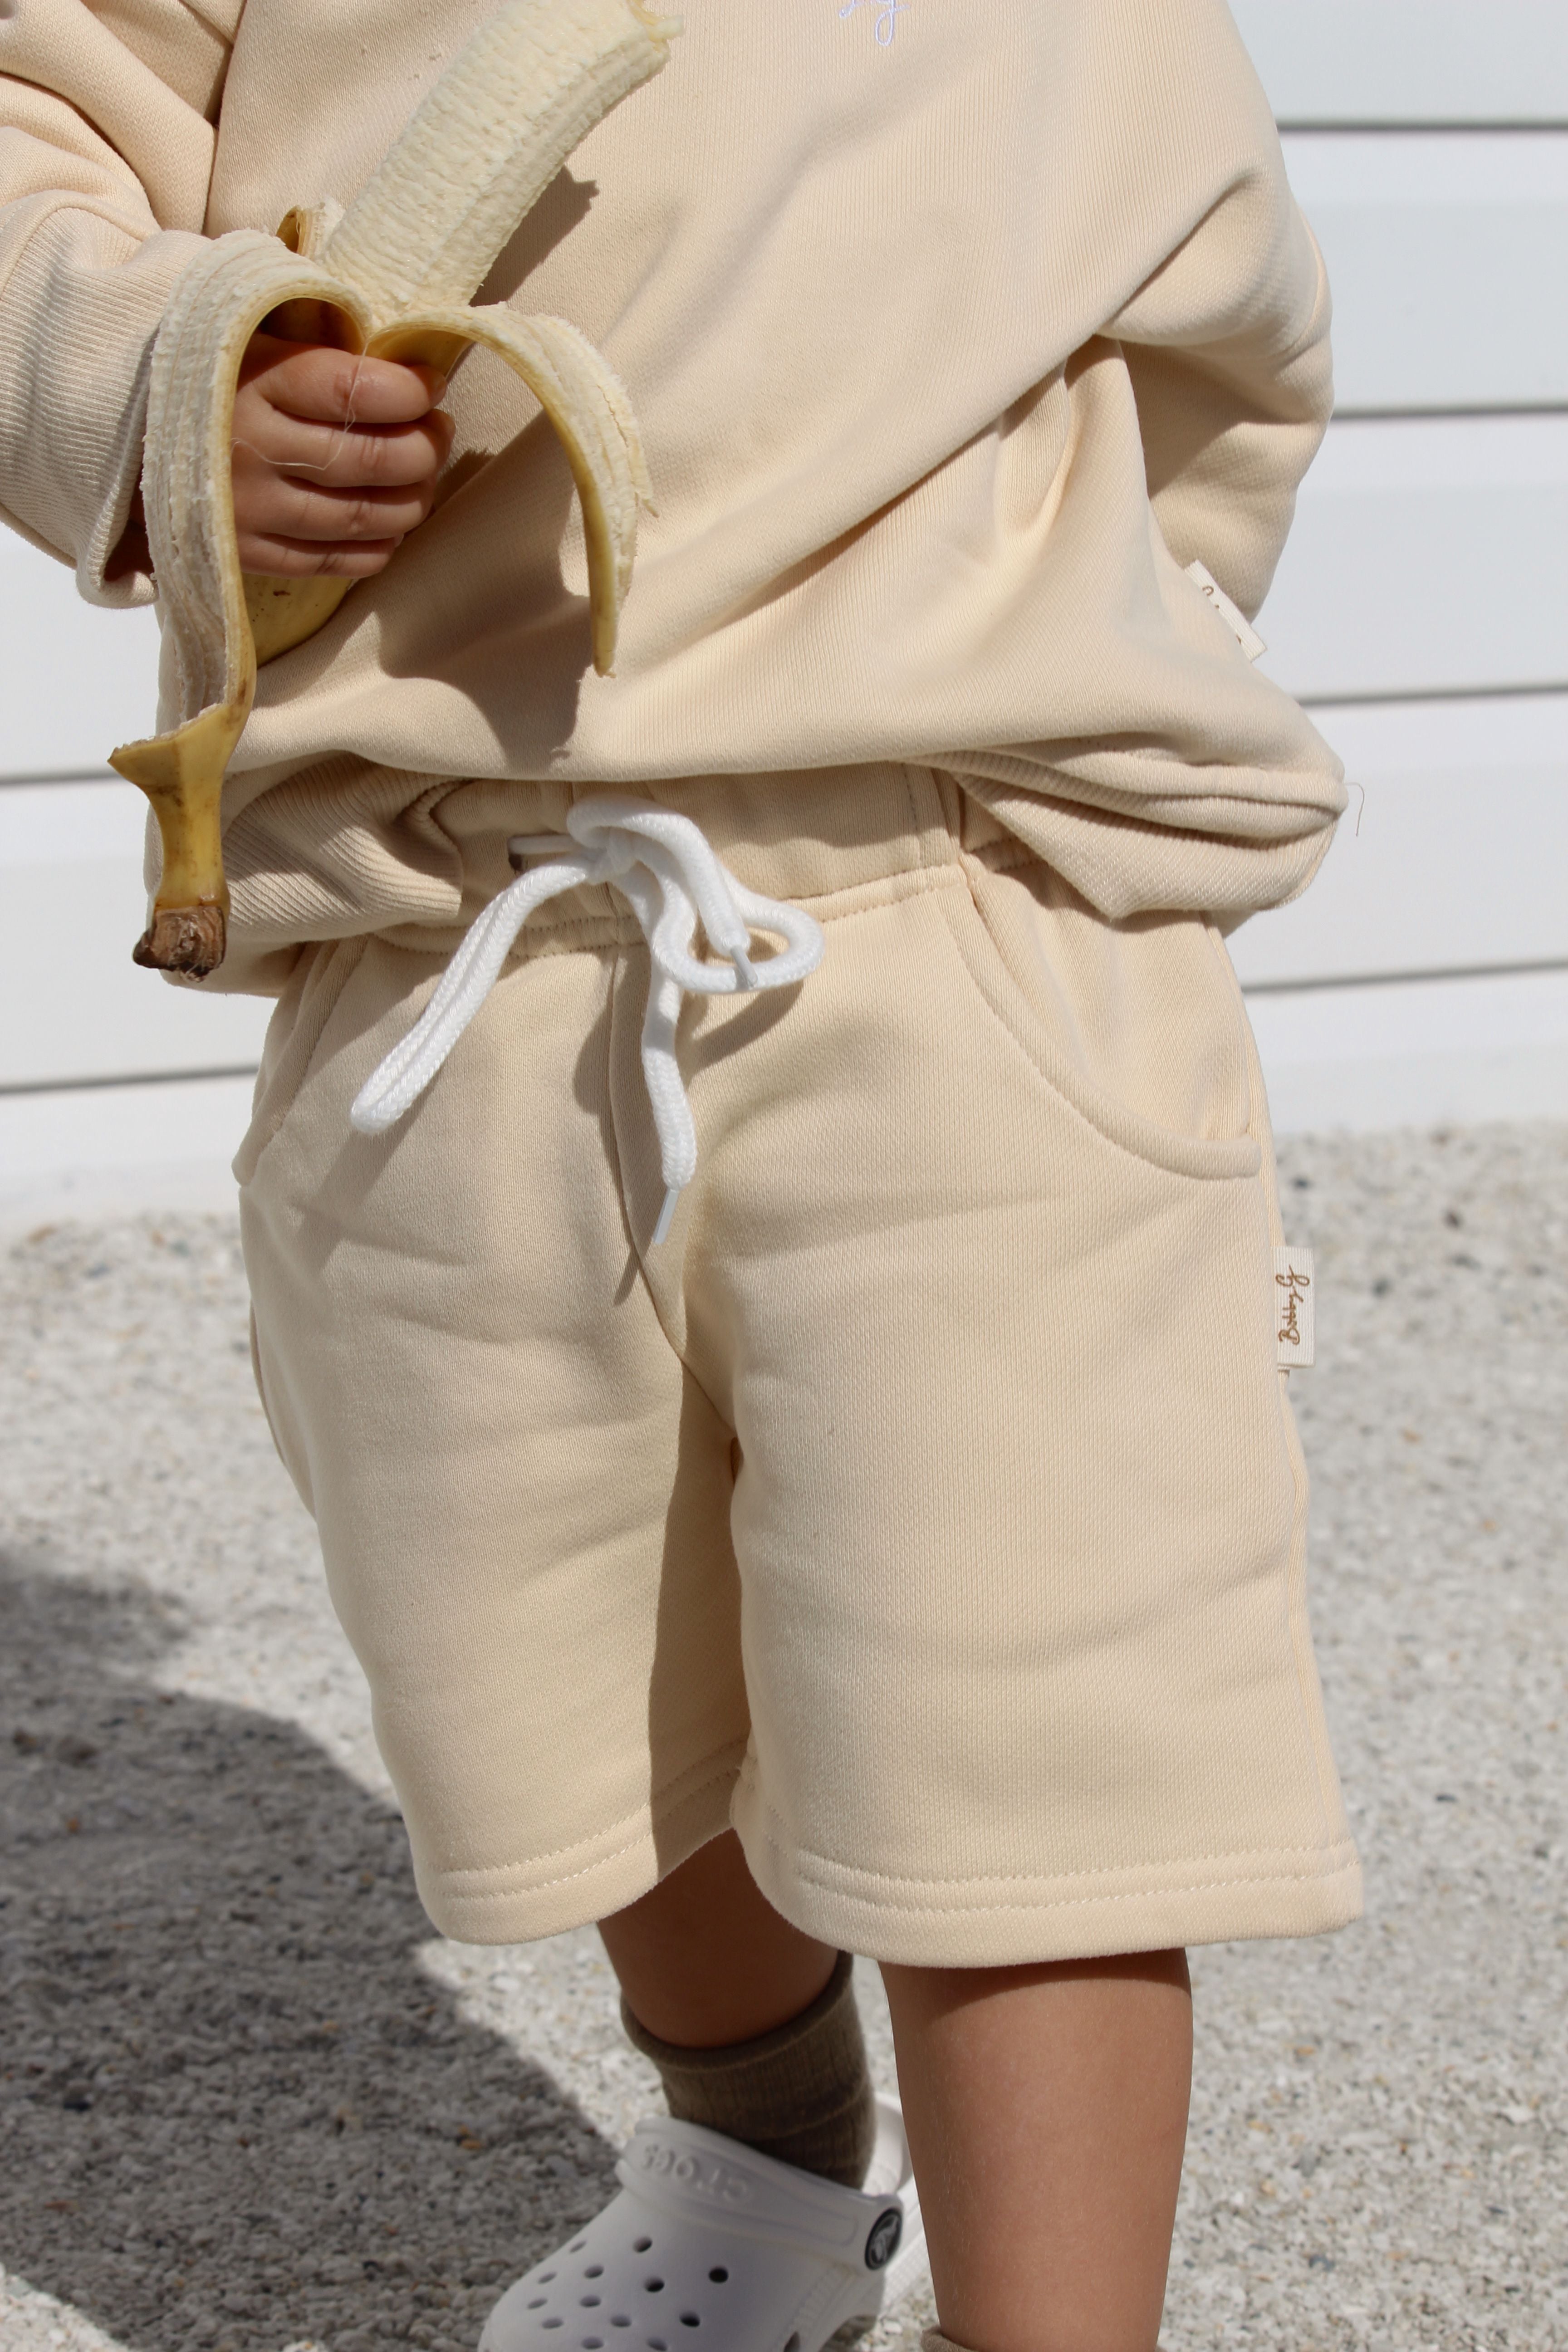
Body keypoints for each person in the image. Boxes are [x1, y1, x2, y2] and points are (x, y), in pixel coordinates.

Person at [0, 3, 1361, 2347]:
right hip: (443, 915)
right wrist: (167, 382)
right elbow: (39, 126)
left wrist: (1083, 665)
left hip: (961, 891)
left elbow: (1223, 301)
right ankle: (761, 2176)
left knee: (1016, 1713)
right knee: (585, 1663)